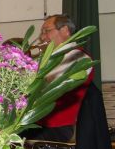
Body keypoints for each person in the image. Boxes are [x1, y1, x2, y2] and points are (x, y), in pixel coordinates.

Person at [32, 14, 94, 142]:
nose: (42, 37)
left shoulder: (78, 56)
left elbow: (50, 86)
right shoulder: (51, 58)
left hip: (58, 127)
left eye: (46, 31)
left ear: (65, 30)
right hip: (40, 123)